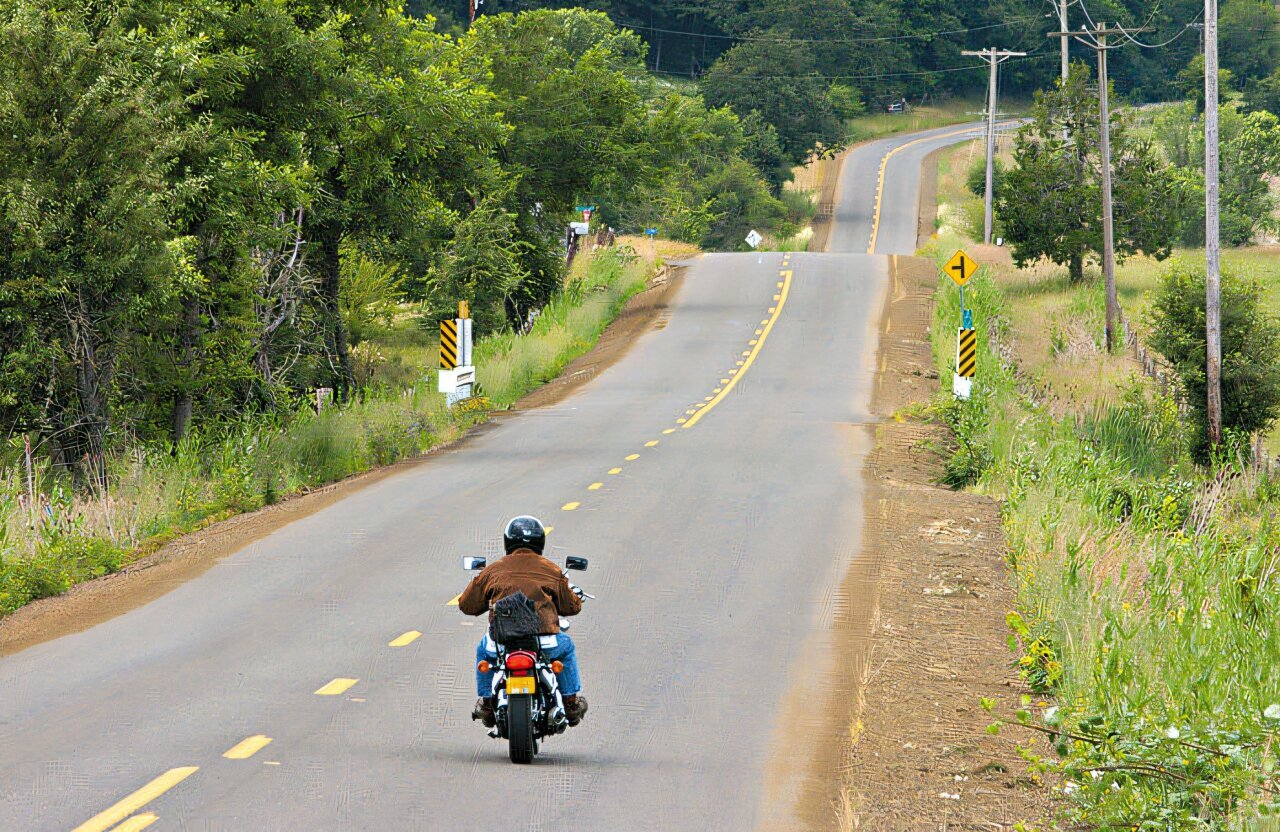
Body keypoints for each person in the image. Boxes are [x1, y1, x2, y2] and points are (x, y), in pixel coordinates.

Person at [459, 516, 588, 728]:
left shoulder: (493, 570)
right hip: (544, 643)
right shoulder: (552, 570)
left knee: (483, 650)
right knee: (566, 647)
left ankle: (487, 705)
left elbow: (467, 605)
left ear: (507, 541)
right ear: (540, 542)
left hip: (502, 643)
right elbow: (571, 607)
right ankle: (571, 703)